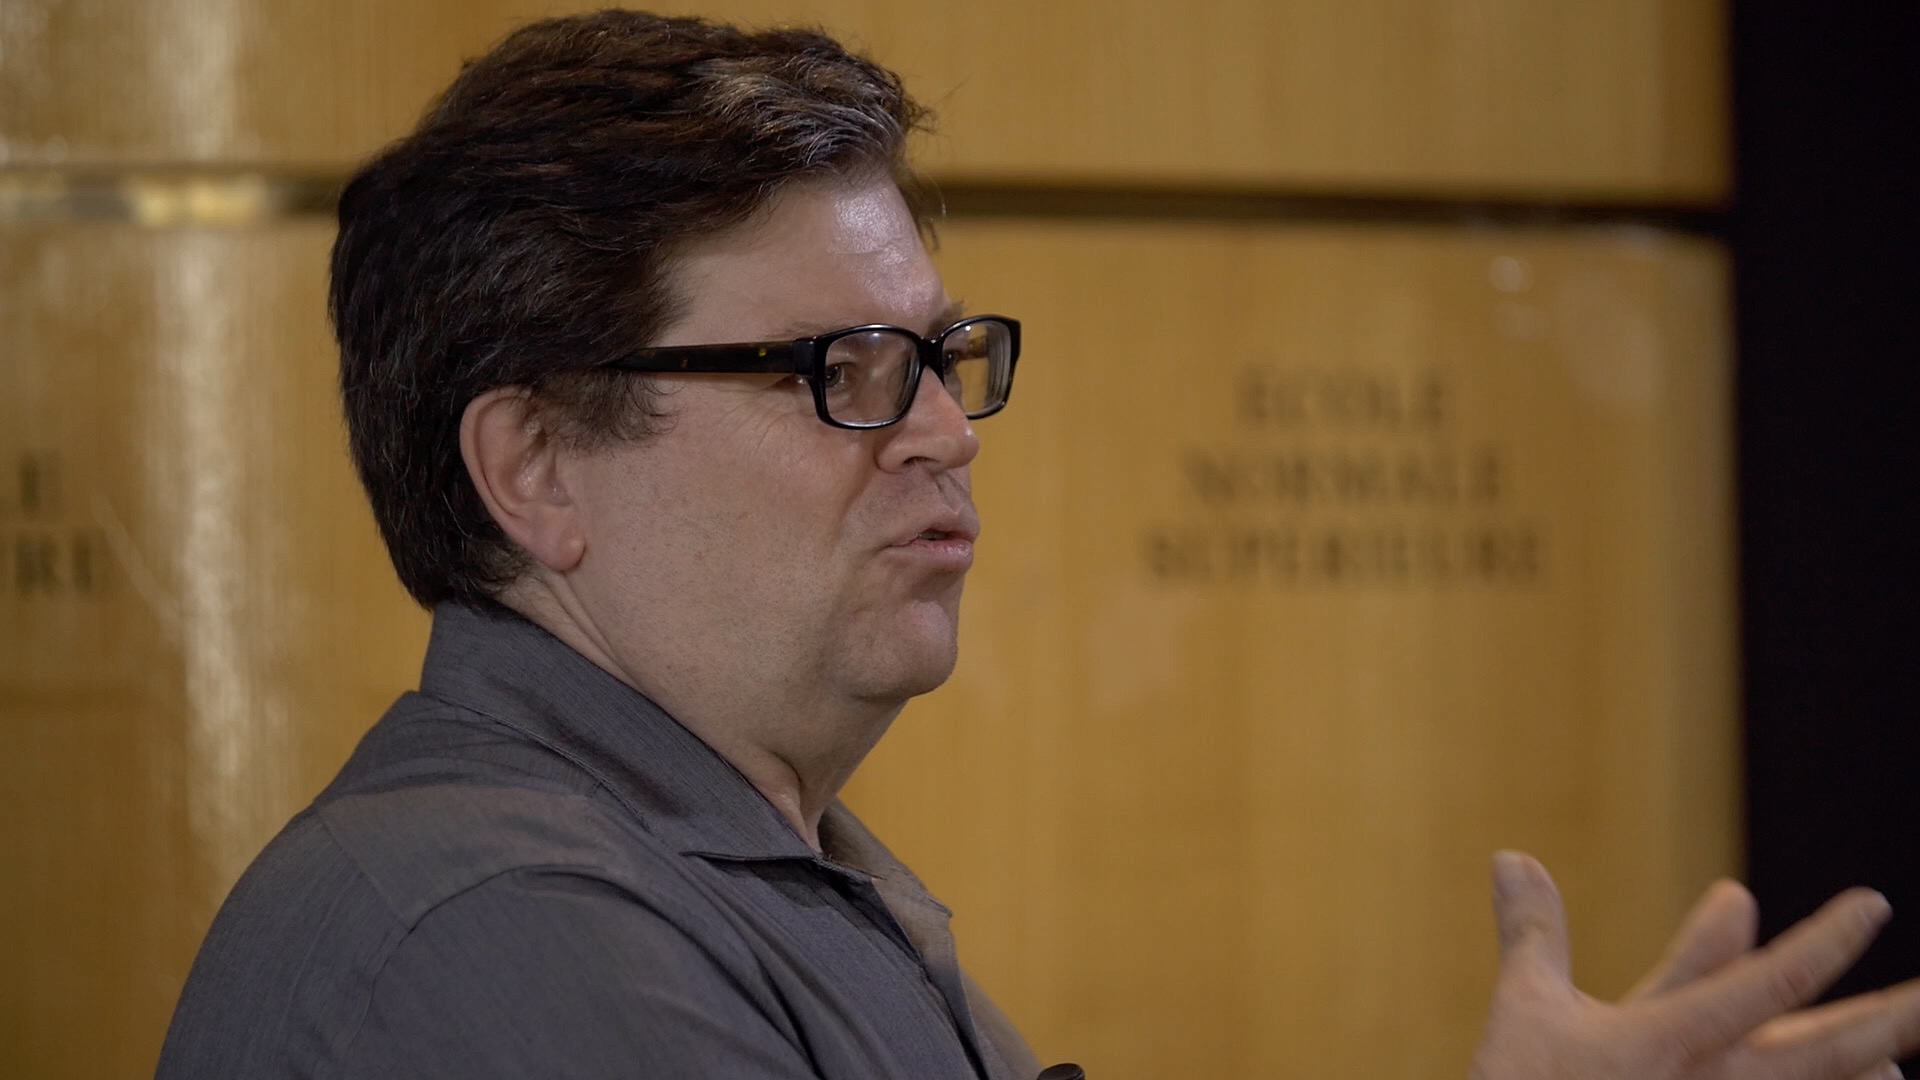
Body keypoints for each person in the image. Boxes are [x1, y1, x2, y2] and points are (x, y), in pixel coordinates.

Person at [157, 10, 1920, 1080]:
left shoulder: (750, 858)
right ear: (536, 467)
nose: (944, 428)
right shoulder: (496, 926)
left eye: (943, 356)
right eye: (841, 369)